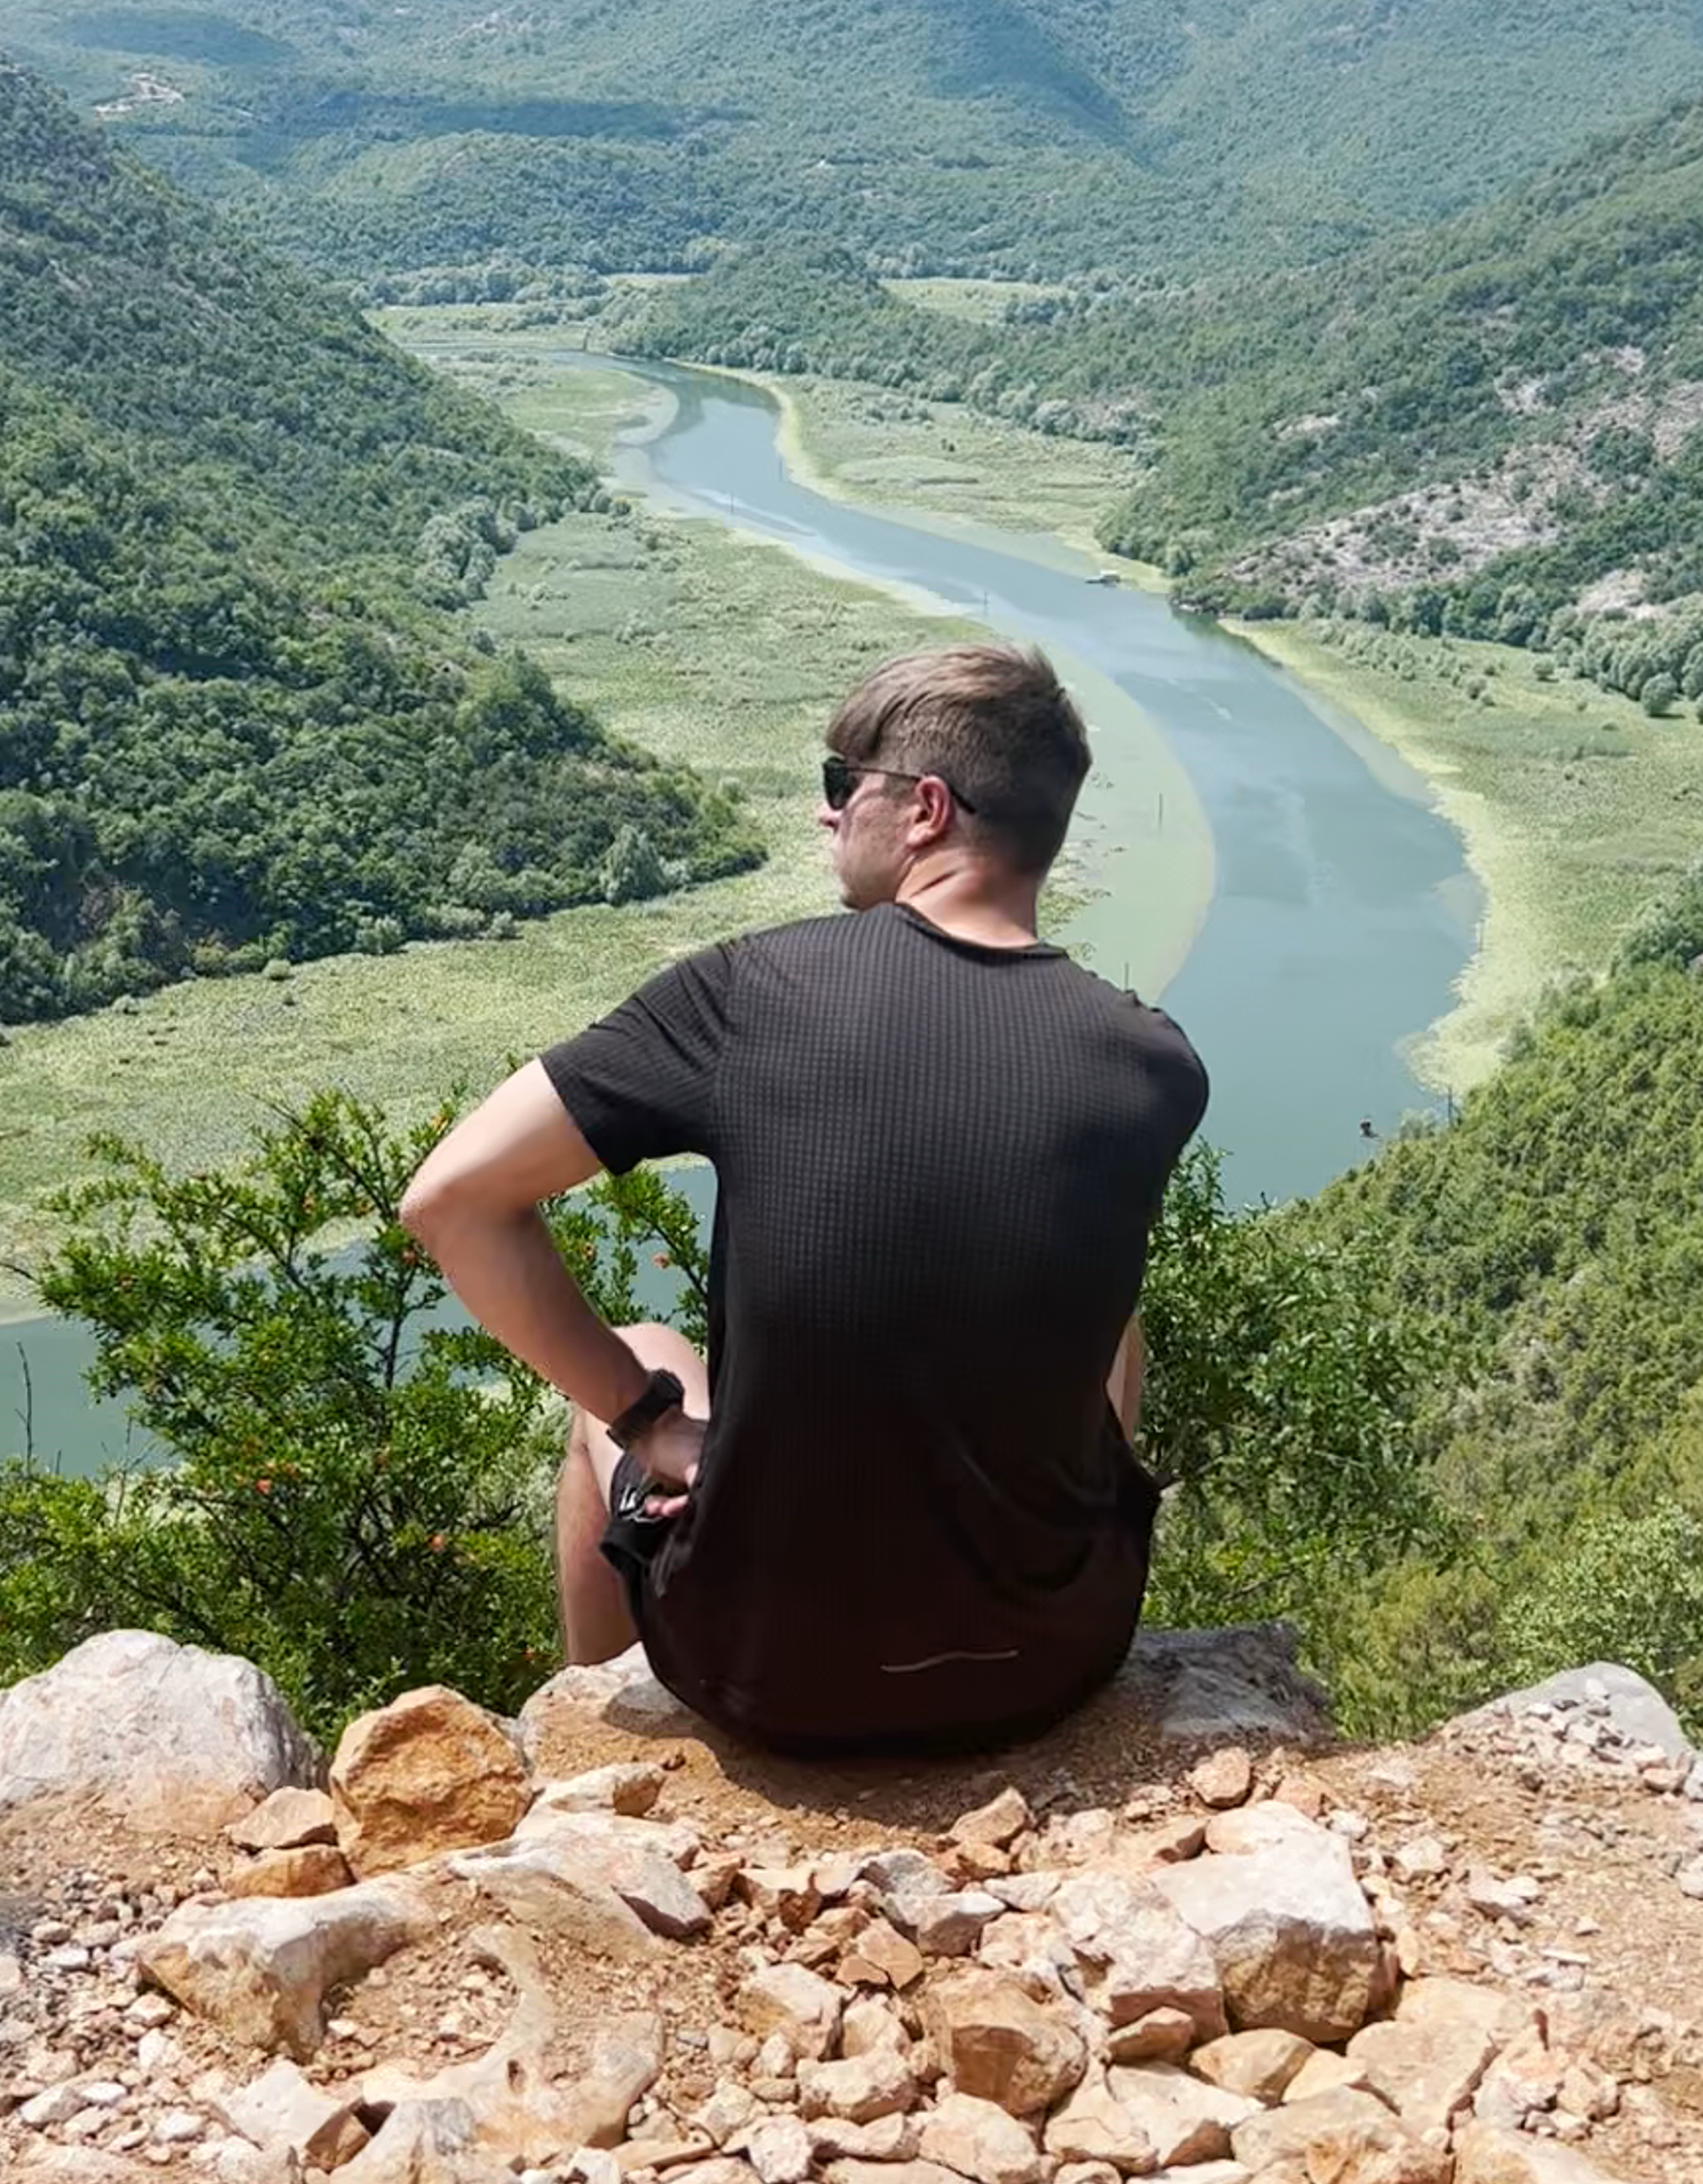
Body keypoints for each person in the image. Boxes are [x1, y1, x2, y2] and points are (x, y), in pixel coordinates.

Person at [399, 643, 1208, 1754]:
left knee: (639, 1348)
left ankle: (587, 1740)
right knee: (1113, 1318)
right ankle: (1013, 1563)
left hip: (772, 1674)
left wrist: (650, 1420)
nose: (828, 816)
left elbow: (452, 1199)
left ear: (925, 809)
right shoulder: (1154, 1061)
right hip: (1052, 1659)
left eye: (844, 783)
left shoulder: (752, 992)